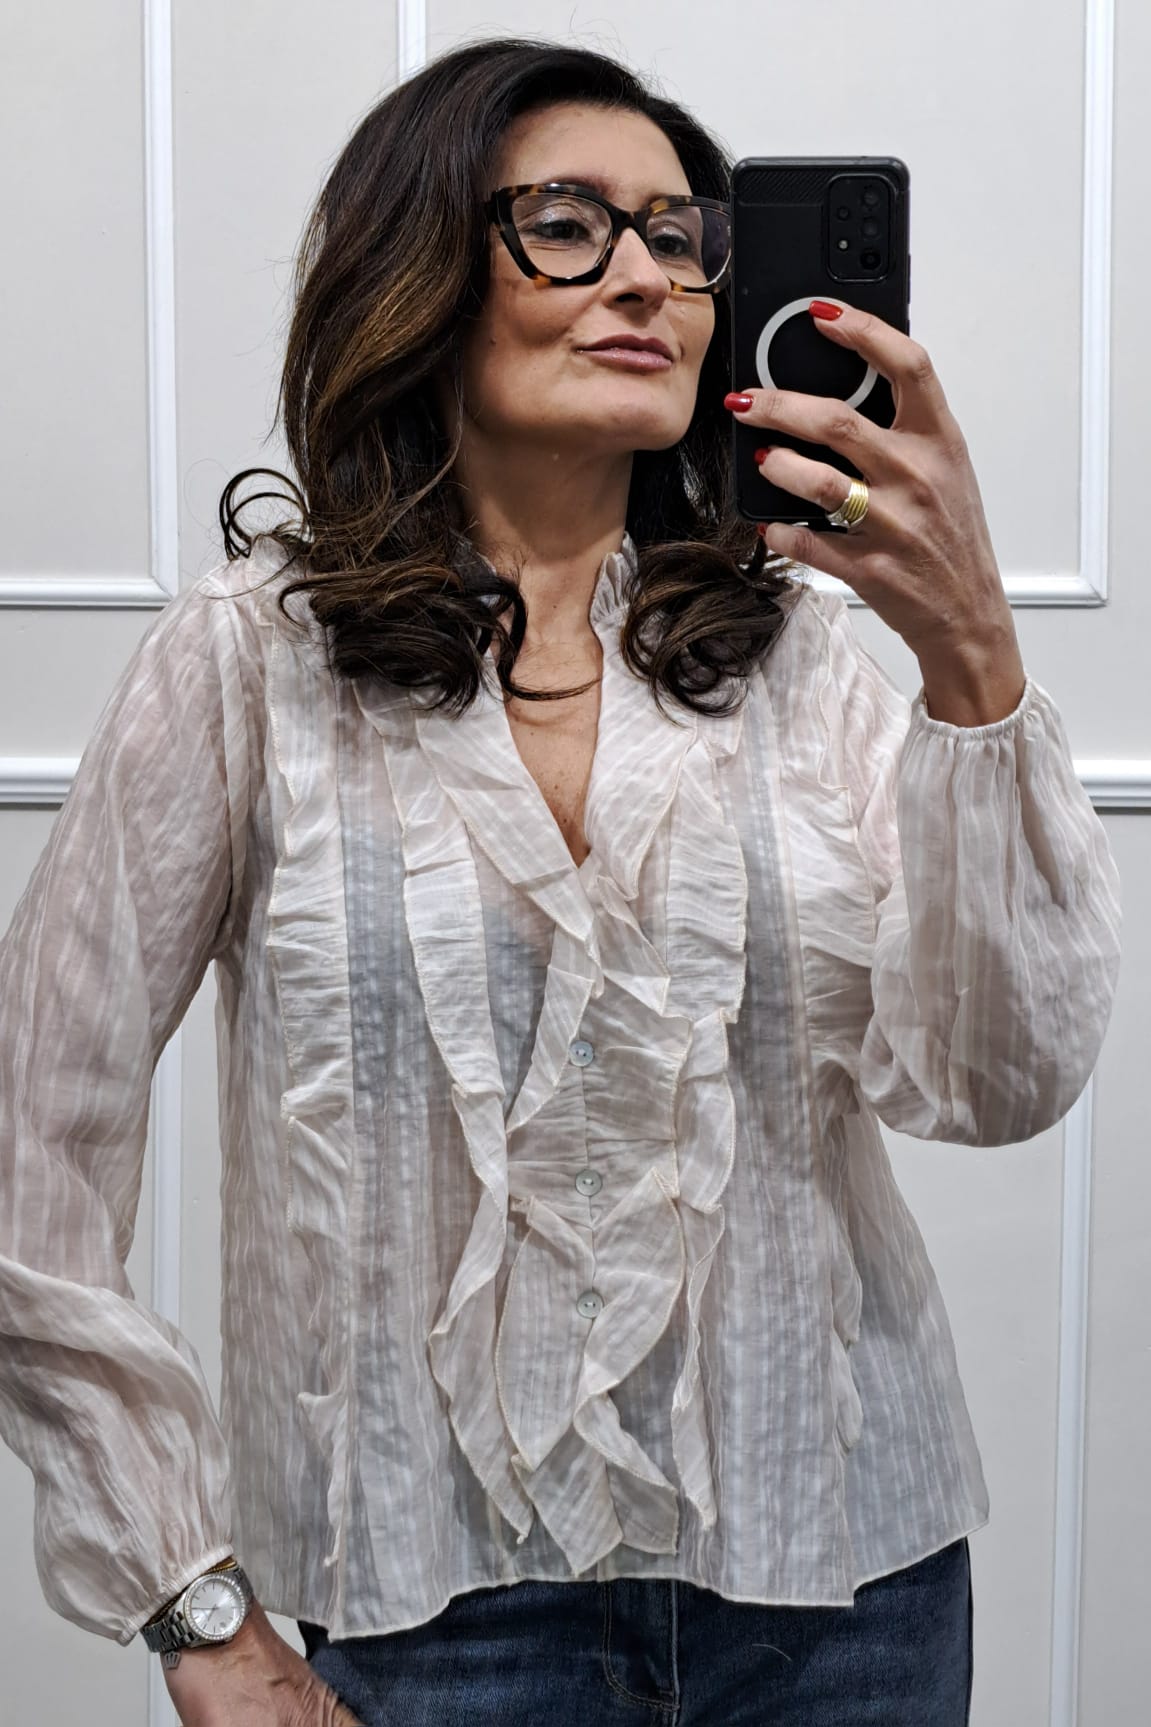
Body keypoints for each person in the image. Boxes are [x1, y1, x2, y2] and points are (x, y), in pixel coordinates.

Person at [0, 35, 1121, 1727]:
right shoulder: (242, 669)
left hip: (848, 1604)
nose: (646, 279)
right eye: (568, 224)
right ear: (422, 272)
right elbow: (35, 1135)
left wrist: (970, 653)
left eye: (679, 236)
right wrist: (194, 1606)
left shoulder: (801, 662)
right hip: (432, 1623)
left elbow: (995, 1083)